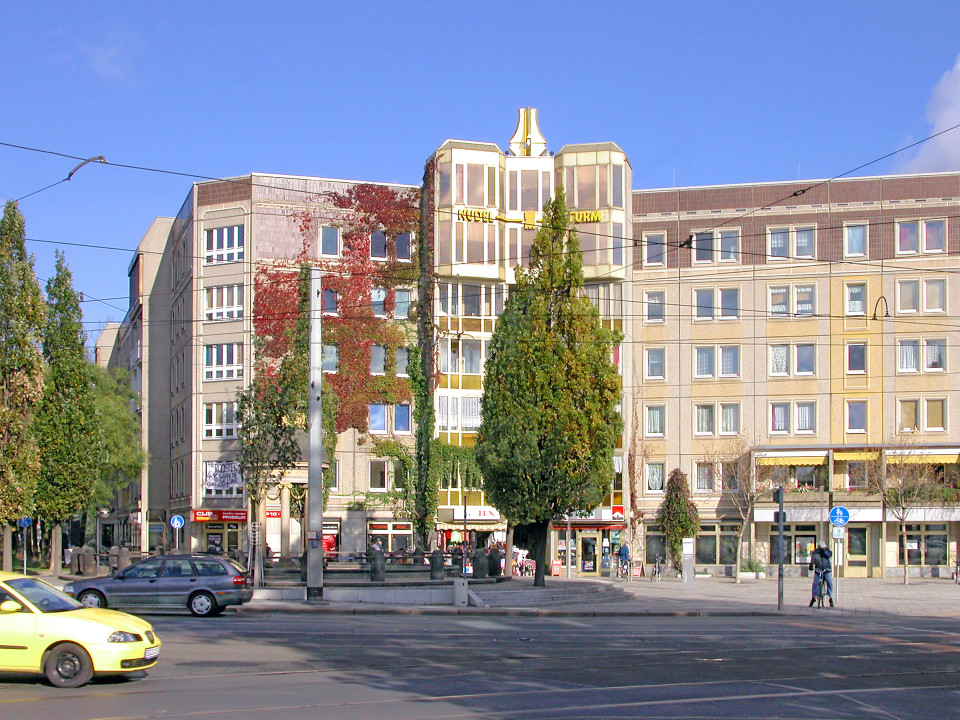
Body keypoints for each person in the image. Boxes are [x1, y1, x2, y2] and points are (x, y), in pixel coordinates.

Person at [808, 541, 834, 607]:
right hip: (818, 570)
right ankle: (814, 597)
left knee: (829, 582)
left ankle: (831, 598)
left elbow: (829, 554)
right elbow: (812, 560)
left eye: (824, 547)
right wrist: (811, 566)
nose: (824, 548)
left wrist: (824, 551)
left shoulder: (827, 551)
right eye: (822, 547)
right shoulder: (815, 553)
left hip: (827, 569)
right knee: (815, 583)